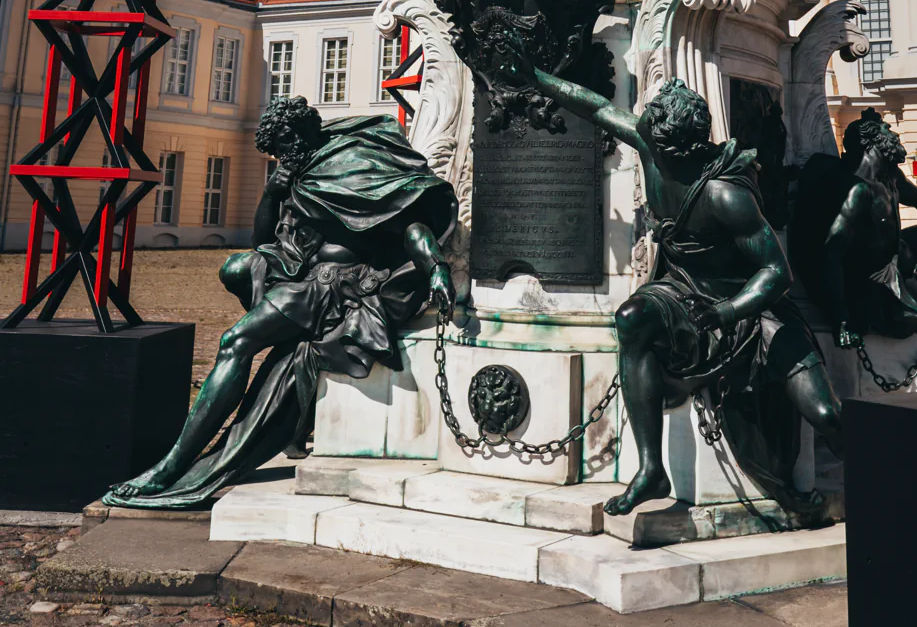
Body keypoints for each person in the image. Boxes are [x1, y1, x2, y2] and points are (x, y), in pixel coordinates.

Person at [501, 51, 843, 520]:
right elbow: (597, 107)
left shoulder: (725, 194)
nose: (647, 146)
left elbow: (776, 272)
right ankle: (650, 470)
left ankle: (877, 477)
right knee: (631, 318)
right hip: (682, 290)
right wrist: (535, 76)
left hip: (749, 306)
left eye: (657, 145)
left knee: (825, 415)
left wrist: (726, 312)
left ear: (683, 150)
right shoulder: (651, 142)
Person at [104, 96, 456, 509]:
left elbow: (411, 224)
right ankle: (181, 460)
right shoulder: (299, 170)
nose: (282, 154)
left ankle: (172, 467)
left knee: (235, 341)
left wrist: (436, 267)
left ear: (301, 130)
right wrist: (272, 193)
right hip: (299, 273)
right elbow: (263, 242)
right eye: (276, 150)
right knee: (236, 270)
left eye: (285, 143)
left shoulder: (355, 160)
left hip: (332, 285)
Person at [789, 108, 917, 389]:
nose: (894, 134)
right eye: (886, 130)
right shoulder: (857, 191)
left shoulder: (890, 178)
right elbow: (830, 254)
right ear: (870, 141)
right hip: (872, 285)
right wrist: (841, 319)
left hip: (893, 267)